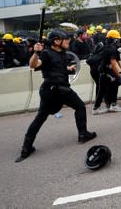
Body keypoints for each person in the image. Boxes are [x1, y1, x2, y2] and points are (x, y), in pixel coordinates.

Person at [15, 29, 96, 162]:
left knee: (43, 117)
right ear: (56, 41)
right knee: (78, 107)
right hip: (53, 91)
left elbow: (57, 68)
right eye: (66, 39)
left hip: (59, 89)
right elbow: (33, 65)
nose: (68, 41)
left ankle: (26, 147)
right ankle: (26, 147)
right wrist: (36, 52)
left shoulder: (62, 53)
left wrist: (68, 69)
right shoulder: (46, 53)